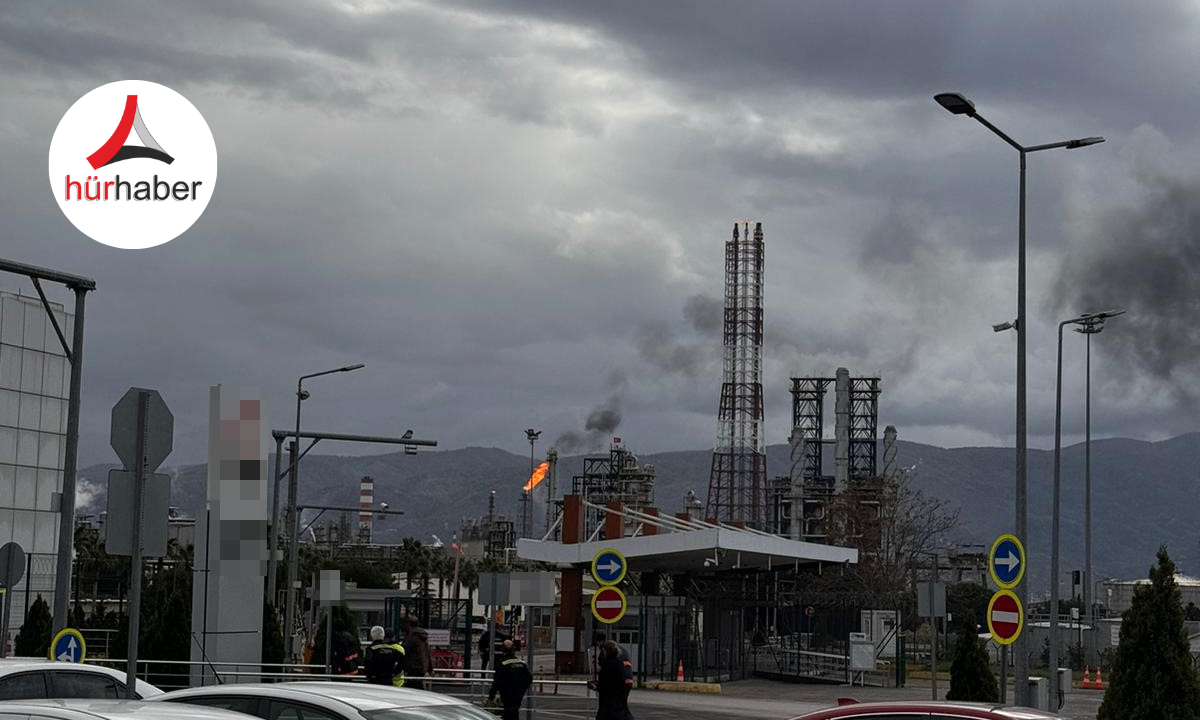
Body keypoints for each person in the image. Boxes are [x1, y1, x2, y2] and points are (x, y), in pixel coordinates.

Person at [488, 640, 532, 720]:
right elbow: (529, 678)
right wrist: (521, 690)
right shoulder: (521, 663)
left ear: (502, 650)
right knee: (514, 713)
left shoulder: (502, 663)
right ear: (513, 650)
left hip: (506, 694)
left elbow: (497, 681)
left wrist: (491, 696)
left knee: (508, 713)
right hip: (518, 695)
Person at [591, 640, 633, 720]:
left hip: (609, 706)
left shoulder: (608, 665)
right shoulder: (620, 662)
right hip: (624, 691)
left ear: (605, 651)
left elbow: (605, 685)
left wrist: (596, 686)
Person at [401, 616, 433, 690]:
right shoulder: (422, 636)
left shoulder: (412, 636)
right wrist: (429, 667)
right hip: (422, 666)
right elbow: (427, 651)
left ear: (409, 624)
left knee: (413, 687)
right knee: (417, 685)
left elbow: (404, 649)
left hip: (413, 666)